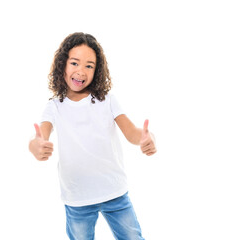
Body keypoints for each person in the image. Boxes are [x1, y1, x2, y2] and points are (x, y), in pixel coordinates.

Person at [29, 32, 157, 240]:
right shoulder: (54, 107)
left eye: (89, 65)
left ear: (96, 70)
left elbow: (132, 132)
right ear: (62, 64)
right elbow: (40, 137)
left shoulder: (107, 100)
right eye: (74, 63)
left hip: (114, 192)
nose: (81, 71)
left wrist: (145, 138)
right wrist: (36, 146)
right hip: (77, 198)